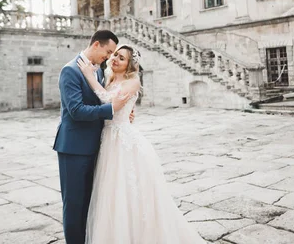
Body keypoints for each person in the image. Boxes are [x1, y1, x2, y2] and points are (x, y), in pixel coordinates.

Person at [78, 44, 206, 244]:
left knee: (129, 189)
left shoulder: (133, 81)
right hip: (108, 139)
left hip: (123, 141)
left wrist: (89, 76)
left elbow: (109, 101)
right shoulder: (108, 77)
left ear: (129, 65)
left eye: (121, 58)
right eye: (114, 55)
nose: (115, 59)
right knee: (110, 192)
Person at [53, 30, 131, 244]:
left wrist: (122, 112)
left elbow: (102, 98)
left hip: (96, 146)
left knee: (90, 202)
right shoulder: (70, 71)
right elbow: (76, 110)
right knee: (74, 204)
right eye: (108, 51)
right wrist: (111, 109)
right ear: (96, 44)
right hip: (73, 148)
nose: (109, 57)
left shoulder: (97, 71)